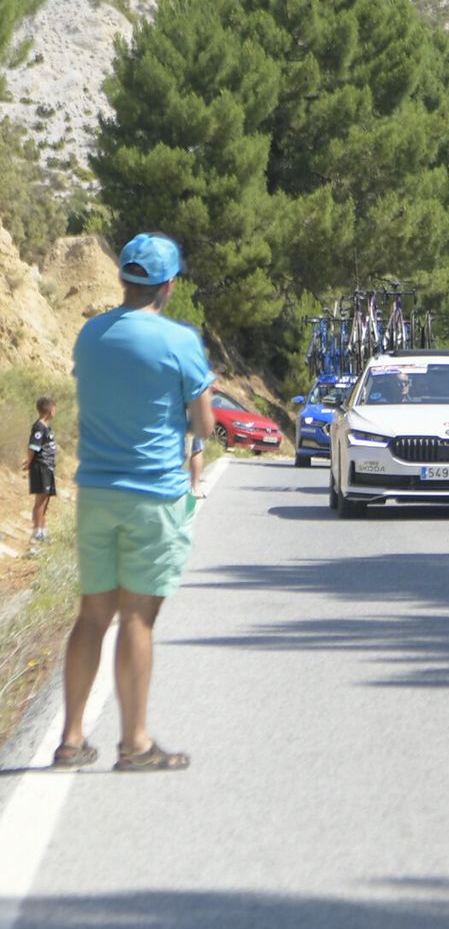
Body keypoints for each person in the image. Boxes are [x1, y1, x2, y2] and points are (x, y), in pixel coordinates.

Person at [55, 233, 215, 773]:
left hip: (96, 491)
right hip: (152, 494)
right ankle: (135, 743)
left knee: (91, 615)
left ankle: (71, 740)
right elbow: (204, 424)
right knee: (138, 619)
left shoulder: (90, 334)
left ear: (123, 278)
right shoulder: (180, 341)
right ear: (169, 285)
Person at [23, 396, 58, 546]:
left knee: (46, 499)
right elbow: (33, 447)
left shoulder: (46, 428)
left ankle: (43, 531)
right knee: (40, 500)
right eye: (54, 408)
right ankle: (37, 532)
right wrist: (29, 462)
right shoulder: (38, 427)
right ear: (50, 410)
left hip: (48, 467)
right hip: (41, 466)